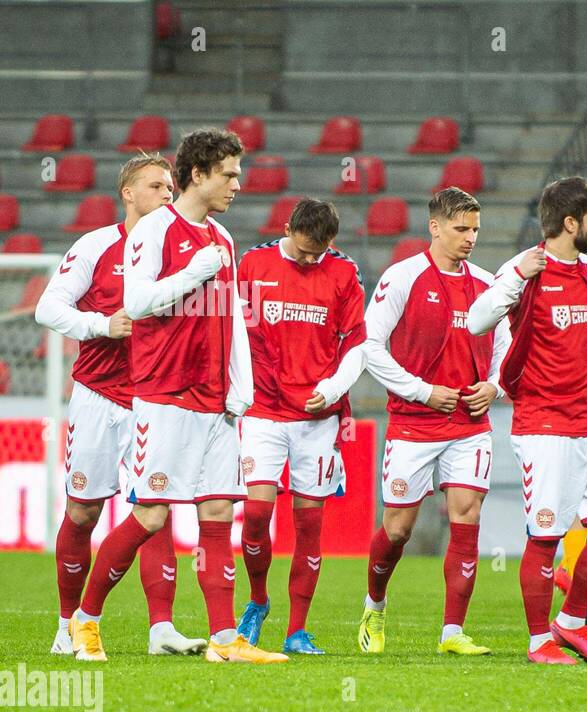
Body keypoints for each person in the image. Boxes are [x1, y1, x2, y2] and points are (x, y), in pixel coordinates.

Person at [72, 127, 286, 663]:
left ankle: (223, 640)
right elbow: (138, 301)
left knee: (218, 513)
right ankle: (85, 618)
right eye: (230, 174)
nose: (239, 183)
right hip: (164, 396)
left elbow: (233, 316)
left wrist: (242, 386)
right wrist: (192, 273)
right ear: (198, 174)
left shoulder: (224, 237)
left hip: (216, 401)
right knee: (150, 516)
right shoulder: (154, 230)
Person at [466, 177, 587, 663]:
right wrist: (516, 275)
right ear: (570, 223)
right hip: (543, 426)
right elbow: (476, 320)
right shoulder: (527, 270)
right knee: (546, 535)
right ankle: (538, 640)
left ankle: (570, 622)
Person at [37, 153, 204, 658]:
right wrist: (99, 325)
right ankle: (68, 626)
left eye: (170, 187)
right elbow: (49, 308)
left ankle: (162, 629)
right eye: (155, 186)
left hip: (153, 398)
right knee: (84, 508)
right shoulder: (96, 245)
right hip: (97, 395)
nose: (166, 195)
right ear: (128, 194)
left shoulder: (182, 251)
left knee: (155, 507)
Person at [356, 187, 507, 656]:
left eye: (476, 229)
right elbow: (370, 346)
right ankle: (374, 606)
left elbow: (508, 348)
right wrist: (422, 391)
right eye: (461, 229)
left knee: (468, 516)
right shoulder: (403, 278)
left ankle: (452, 632)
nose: (470, 238)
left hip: (468, 423)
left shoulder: (488, 284)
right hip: (412, 423)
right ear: (435, 227)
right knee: (398, 529)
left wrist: (495, 386)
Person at [235, 198, 366, 655]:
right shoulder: (252, 264)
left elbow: (357, 344)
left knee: (309, 526)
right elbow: (235, 334)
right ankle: (257, 601)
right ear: (287, 228)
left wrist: (333, 389)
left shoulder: (344, 272)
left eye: (321, 252)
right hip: (264, 409)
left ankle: (297, 629)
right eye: (306, 250)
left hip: (317, 416)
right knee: (255, 514)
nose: (313, 260)